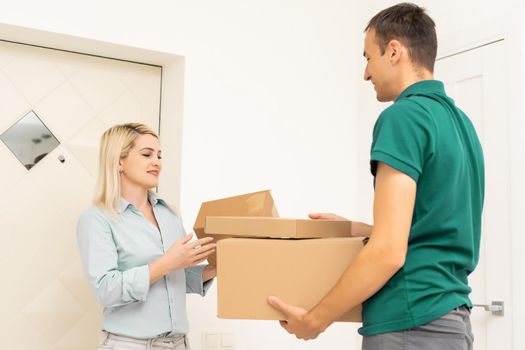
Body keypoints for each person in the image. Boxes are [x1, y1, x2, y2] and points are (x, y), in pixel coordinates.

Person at [268, 3, 484, 350]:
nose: (365, 74)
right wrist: (354, 228)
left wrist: (314, 320)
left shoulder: (404, 116)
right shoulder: (462, 125)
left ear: (394, 51)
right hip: (452, 321)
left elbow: (389, 252)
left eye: (368, 57)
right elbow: (432, 231)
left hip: (410, 321)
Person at [77, 123, 217, 350]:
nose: (157, 162)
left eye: (159, 155)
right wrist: (167, 262)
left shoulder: (169, 214)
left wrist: (214, 269)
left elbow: (173, 278)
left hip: (179, 344)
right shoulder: (97, 218)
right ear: (119, 161)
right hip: (130, 345)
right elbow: (105, 290)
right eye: (147, 154)